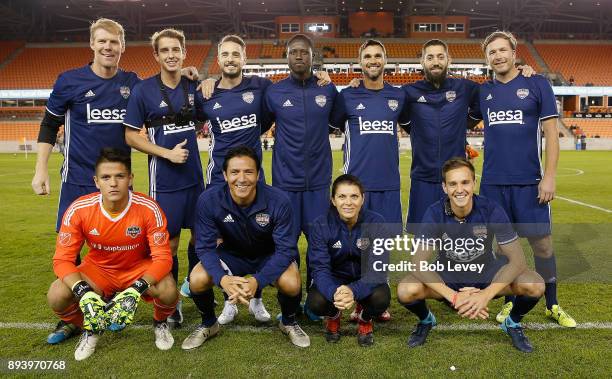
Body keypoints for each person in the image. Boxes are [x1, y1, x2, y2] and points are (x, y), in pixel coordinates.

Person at [32, 18, 197, 343]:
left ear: (122, 47)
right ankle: (76, 318)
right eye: (102, 42)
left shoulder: (133, 84)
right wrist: (40, 168)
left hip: (119, 185)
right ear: (92, 44)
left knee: (128, 250)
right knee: (72, 253)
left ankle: (120, 303)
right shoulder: (69, 81)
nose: (108, 47)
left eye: (114, 43)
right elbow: (49, 125)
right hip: (78, 181)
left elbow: (163, 84)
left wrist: (189, 73)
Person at [476, 31, 575, 327]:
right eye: (492, 52)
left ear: (514, 53)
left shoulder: (537, 84)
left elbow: (551, 135)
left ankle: (552, 304)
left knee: (542, 245)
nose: (498, 56)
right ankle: (509, 303)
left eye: (502, 50)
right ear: (487, 58)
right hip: (493, 183)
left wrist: (550, 177)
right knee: (502, 249)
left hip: (530, 183)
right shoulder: (483, 92)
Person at [397, 157, 544, 353]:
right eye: (453, 184)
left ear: (474, 183)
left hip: (486, 273)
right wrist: (455, 297)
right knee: (406, 290)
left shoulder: (491, 210)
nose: (459, 189)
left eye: (465, 182)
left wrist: (486, 294)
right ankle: (426, 319)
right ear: (444, 187)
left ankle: (512, 323)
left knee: (534, 283)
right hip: (448, 274)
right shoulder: (434, 212)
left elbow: (518, 261)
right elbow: (417, 263)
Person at [46, 148, 178, 361]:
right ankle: (92, 326)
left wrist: (137, 289)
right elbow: (62, 260)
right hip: (99, 271)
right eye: (106, 177)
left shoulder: (148, 208)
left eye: (120, 176)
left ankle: (160, 322)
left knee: (169, 289)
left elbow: (163, 258)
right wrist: (83, 291)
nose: (113, 183)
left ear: (130, 179)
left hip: (137, 269)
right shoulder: (79, 209)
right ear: (96, 181)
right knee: (56, 294)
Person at [182, 146, 309, 349]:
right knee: (197, 279)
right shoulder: (208, 200)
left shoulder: (279, 201)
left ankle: (288, 321)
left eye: (248, 172)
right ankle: (208, 324)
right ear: (224, 175)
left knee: (291, 282)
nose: (241, 179)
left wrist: (257, 281)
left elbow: (286, 250)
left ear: (258, 174)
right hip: (230, 255)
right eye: (234, 172)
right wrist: (222, 278)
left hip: (268, 255)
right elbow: (205, 248)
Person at [123, 28, 204, 327]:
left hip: (195, 181)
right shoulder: (143, 91)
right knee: (168, 246)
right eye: (164, 50)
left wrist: (201, 79)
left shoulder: (192, 85)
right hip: (165, 184)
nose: (171, 55)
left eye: (176, 50)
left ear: (184, 52)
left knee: (201, 239)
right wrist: (166, 153)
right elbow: (131, 136)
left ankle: (192, 287)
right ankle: (172, 303)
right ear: (156, 55)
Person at [195, 34, 274, 324]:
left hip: (253, 179)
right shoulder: (206, 93)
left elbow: (267, 119)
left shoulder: (260, 87)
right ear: (218, 59)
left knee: (257, 236)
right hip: (218, 178)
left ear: (244, 58)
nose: (230, 58)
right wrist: (196, 77)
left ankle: (256, 297)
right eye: (225, 54)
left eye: (235, 54)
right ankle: (228, 299)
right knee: (222, 240)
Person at [262, 34, 338, 320]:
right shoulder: (274, 93)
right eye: (293, 52)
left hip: (319, 184)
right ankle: (290, 303)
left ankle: (316, 297)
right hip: (285, 185)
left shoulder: (328, 91)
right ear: (287, 56)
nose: (298, 56)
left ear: (311, 56)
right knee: (286, 245)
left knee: (319, 243)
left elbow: (341, 117)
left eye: (303, 52)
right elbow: (257, 120)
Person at [306, 174, 390, 346]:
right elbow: (319, 268)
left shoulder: (377, 223)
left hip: (365, 278)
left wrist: (353, 290)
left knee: (381, 298)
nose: (348, 202)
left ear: (362, 198)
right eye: (342, 196)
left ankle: (365, 318)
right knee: (315, 302)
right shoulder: (320, 225)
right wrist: (334, 292)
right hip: (335, 279)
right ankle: (333, 315)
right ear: (333, 200)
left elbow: (378, 269)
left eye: (354, 196)